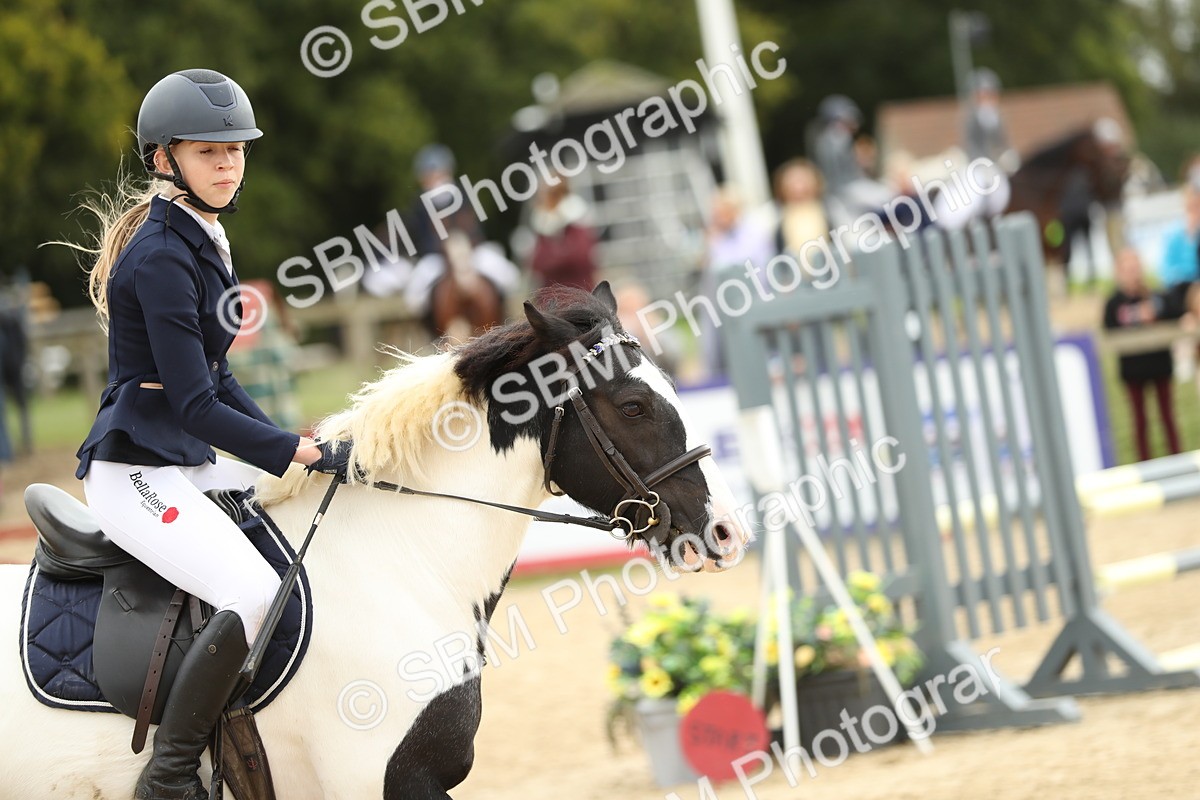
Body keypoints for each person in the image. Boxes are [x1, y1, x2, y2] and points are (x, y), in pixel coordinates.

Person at [72, 69, 352, 800]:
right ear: (164, 159)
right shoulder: (163, 256)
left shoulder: (206, 238)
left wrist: (297, 446)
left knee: (290, 522)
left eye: (237, 151)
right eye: (209, 152)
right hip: (136, 469)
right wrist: (297, 452)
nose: (228, 165)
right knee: (253, 590)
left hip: (182, 463)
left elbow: (218, 376)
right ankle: (168, 776)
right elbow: (195, 405)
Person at [1103, 248, 1182, 462]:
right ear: (1119, 272)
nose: (1133, 273)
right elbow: (1109, 328)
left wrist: (1155, 313)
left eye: (1135, 268)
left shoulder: (1156, 295)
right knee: (1139, 420)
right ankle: (1145, 464)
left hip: (1159, 364)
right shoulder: (1114, 303)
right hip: (1133, 370)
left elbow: (1175, 312)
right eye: (1128, 269)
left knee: (1167, 416)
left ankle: (1177, 460)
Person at [528, 175, 598, 291]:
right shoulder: (543, 225)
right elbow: (537, 263)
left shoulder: (577, 221)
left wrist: (553, 260)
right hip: (551, 296)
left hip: (579, 293)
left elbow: (581, 257)